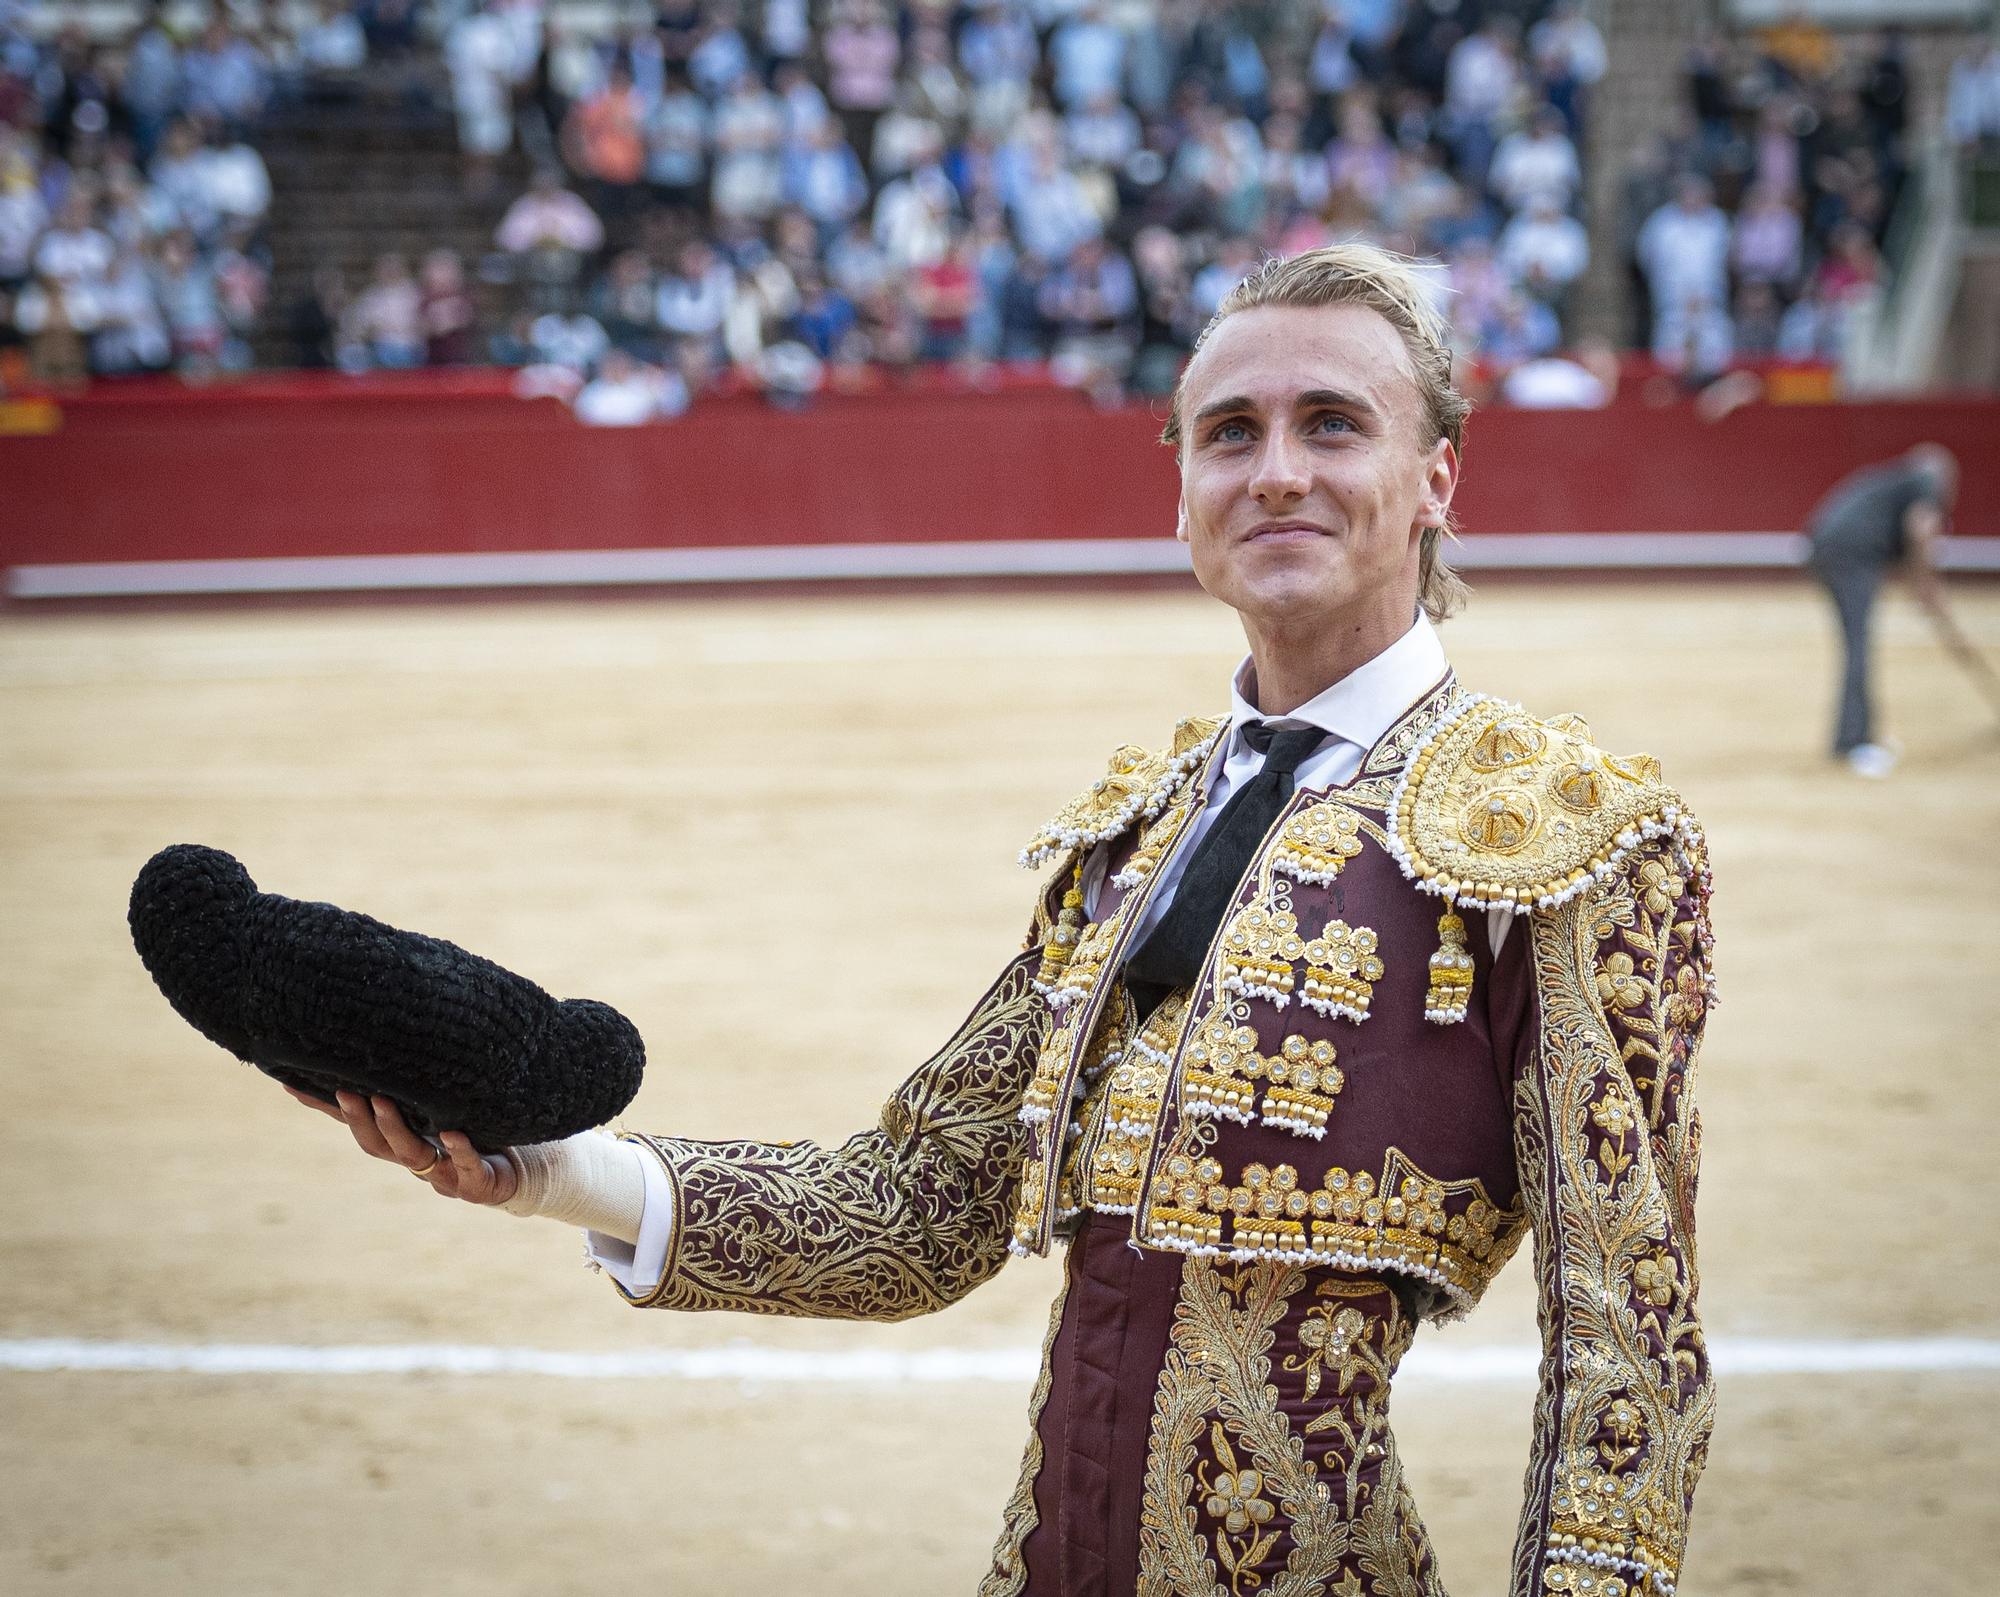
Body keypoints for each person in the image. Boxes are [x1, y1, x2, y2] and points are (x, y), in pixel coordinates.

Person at [290, 244, 1716, 1596]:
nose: (1276, 471)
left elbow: (1627, 1344)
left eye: (1332, 425)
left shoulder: (1562, 839)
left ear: (1435, 480)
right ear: (1182, 500)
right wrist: (551, 1171)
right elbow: (919, 1207)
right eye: (1229, 434)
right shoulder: (1141, 829)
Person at [1804, 443, 1958, 777]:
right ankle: (1854, 742)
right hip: (1851, 554)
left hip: (1829, 545)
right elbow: (1920, 530)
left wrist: (1921, 587)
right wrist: (1928, 587)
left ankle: (1854, 736)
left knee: (1856, 642)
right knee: (1859, 644)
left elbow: (1903, 542)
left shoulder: (1893, 485)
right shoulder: (1927, 483)